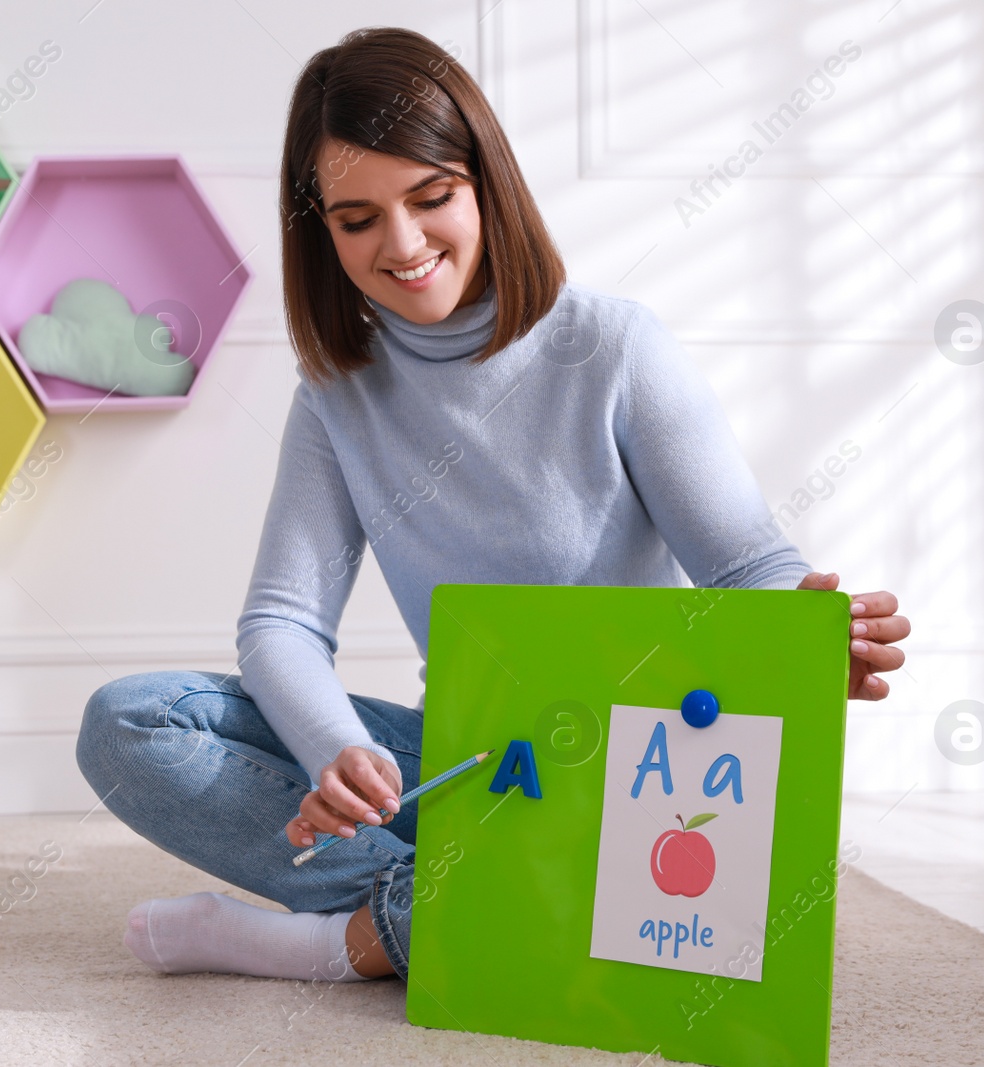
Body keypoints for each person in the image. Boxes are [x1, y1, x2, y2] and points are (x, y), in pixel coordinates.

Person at [76, 25, 908, 987]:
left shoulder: (614, 348)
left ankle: (356, 941)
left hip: (638, 776)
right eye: (356, 219)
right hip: (477, 766)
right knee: (129, 722)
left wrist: (812, 624)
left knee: (674, 875)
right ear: (322, 231)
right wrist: (335, 748)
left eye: (431, 198)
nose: (403, 244)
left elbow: (744, 566)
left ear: (485, 181)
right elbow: (282, 624)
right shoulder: (336, 396)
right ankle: (469, 911)